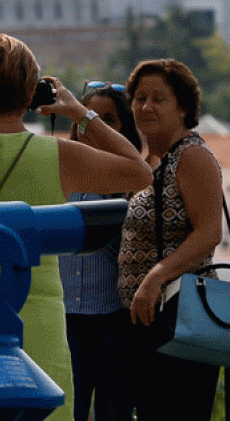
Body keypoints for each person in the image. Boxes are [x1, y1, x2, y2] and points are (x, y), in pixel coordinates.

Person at [0, 34, 151, 421]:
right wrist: (80, 114)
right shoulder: (55, 156)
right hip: (33, 330)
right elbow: (139, 172)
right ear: (32, 93)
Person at [116, 58, 223, 421]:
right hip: (150, 322)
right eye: (139, 97)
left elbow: (209, 233)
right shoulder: (156, 161)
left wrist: (154, 277)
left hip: (181, 319)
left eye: (158, 98)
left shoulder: (191, 156)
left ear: (182, 107)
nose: (145, 106)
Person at [60, 82, 142, 421]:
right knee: (70, 411)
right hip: (67, 319)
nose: (96, 129)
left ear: (124, 127)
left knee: (113, 412)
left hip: (115, 319)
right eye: (88, 120)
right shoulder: (59, 171)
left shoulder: (132, 176)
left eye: (108, 120)